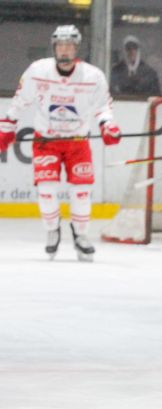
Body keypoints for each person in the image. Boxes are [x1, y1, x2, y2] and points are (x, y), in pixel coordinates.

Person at [0, 25, 121, 262]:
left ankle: (81, 235)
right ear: (54, 47)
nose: (64, 50)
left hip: (77, 142)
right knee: (46, 189)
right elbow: (19, 103)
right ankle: (52, 230)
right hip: (46, 141)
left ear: (77, 48)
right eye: (60, 45)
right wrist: (7, 128)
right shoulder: (38, 71)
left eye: (69, 45)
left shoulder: (93, 76)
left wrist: (108, 125)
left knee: (82, 191)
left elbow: (103, 107)